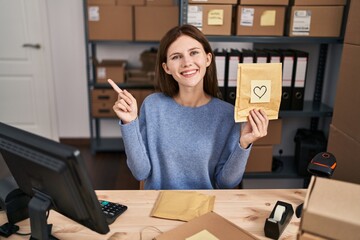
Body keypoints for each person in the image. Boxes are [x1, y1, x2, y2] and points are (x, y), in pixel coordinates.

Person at [108, 24, 269, 190]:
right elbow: (140, 172)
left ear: (207, 59)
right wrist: (129, 123)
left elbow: (226, 182)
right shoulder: (153, 105)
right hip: (159, 206)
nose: (187, 62)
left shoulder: (227, 114)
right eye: (176, 57)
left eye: (194, 53)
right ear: (167, 68)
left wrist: (243, 145)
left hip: (204, 207)